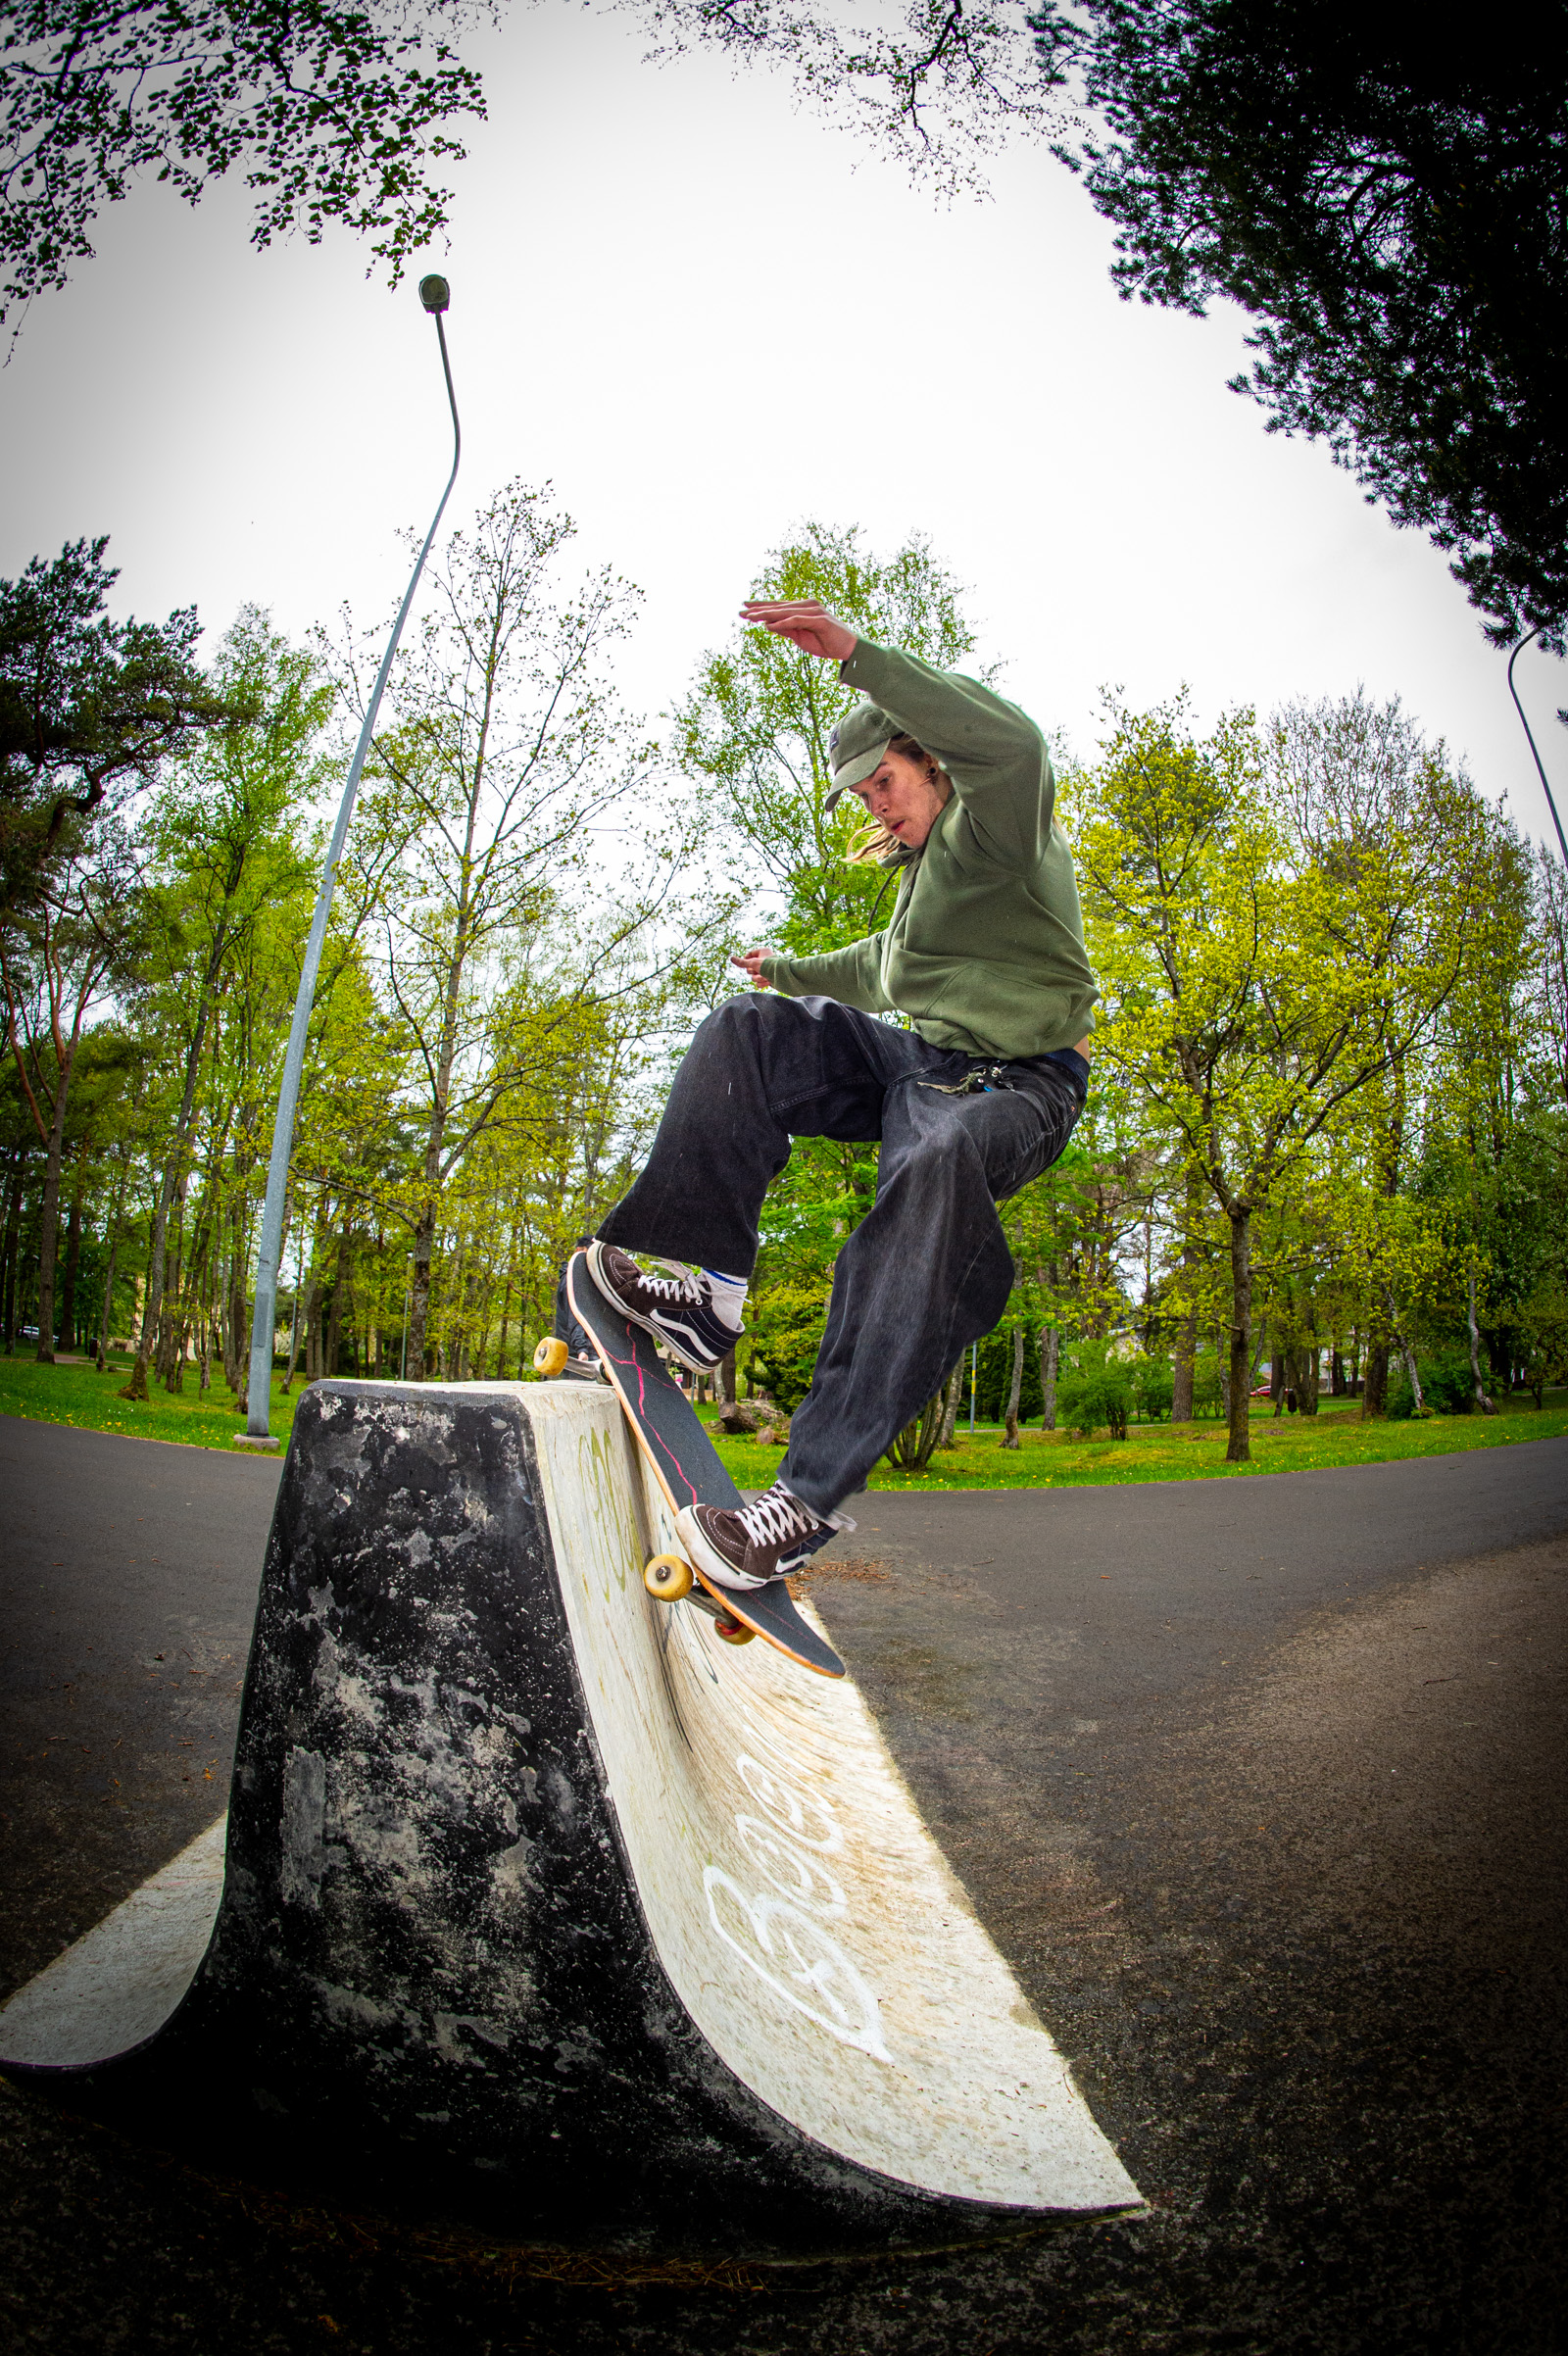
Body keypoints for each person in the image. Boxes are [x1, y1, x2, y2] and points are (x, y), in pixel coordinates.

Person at [586, 598, 1098, 1593]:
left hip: (1019, 1089)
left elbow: (1017, 746)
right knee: (747, 1033)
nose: (878, 807)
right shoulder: (921, 885)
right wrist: (783, 973)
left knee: (936, 1161)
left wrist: (860, 656)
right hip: (924, 1064)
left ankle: (803, 1500)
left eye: (885, 783)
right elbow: (880, 972)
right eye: (863, 798)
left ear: (928, 757)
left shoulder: (997, 827)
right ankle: (706, 1298)